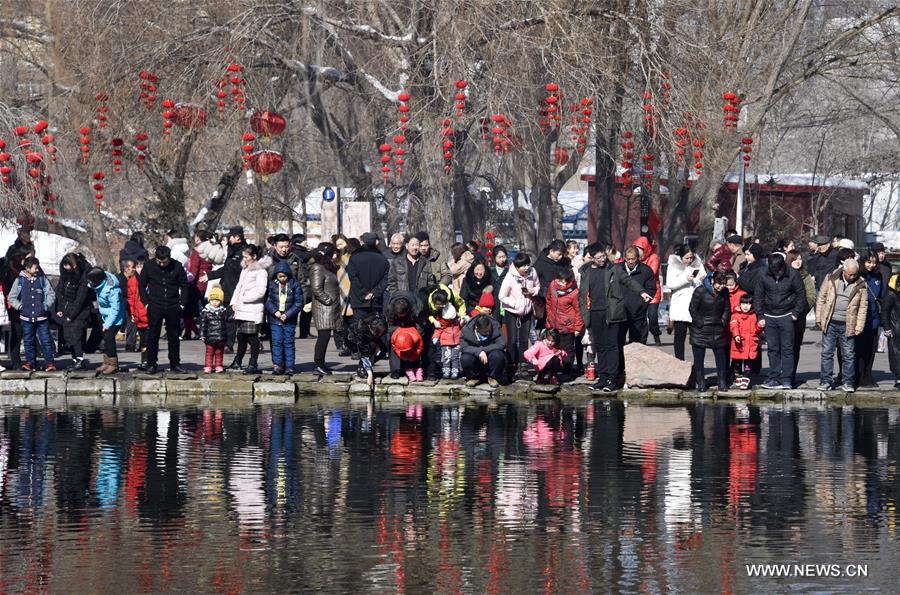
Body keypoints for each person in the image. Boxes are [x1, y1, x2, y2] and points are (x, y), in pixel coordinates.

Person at [580, 244, 650, 392]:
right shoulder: (586, 271)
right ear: (592, 258)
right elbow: (582, 294)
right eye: (598, 258)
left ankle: (613, 378)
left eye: (604, 256)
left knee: (612, 345)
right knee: (600, 345)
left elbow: (628, 281)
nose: (602, 260)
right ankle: (603, 377)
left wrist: (641, 292)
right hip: (594, 312)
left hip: (611, 312)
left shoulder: (614, 269)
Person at [754, 253, 806, 389]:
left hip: (787, 315)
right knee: (773, 349)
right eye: (774, 270)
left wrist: (796, 313)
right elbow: (758, 295)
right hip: (769, 316)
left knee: (787, 349)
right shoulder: (763, 274)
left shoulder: (793, 274)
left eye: (779, 270)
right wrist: (760, 315)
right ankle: (774, 378)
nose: (777, 272)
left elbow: (801, 294)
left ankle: (787, 379)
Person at [815, 258, 867, 392]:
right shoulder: (831, 278)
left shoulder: (861, 284)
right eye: (850, 274)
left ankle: (848, 382)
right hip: (830, 322)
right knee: (827, 352)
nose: (853, 277)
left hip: (848, 324)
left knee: (848, 354)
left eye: (855, 274)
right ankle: (825, 381)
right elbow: (821, 297)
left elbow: (863, 307)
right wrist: (819, 318)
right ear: (844, 271)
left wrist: (859, 326)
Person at [139, 246, 189, 373]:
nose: (162, 264)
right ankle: (151, 363)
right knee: (153, 335)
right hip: (155, 304)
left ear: (169, 257)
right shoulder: (149, 266)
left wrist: (182, 304)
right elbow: (141, 285)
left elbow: (184, 285)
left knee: (173, 335)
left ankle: (175, 363)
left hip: (173, 304)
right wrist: (146, 303)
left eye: (164, 262)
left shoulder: (177, 266)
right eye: (159, 262)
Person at [202, 226, 247, 351]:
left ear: (237, 237)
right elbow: (226, 269)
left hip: (237, 290)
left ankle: (251, 342)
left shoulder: (244, 251)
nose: (228, 238)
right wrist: (210, 276)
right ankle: (228, 344)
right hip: (227, 289)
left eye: (230, 236)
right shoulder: (232, 250)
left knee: (238, 319)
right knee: (228, 318)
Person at [9, 255, 56, 371]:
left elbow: (51, 294)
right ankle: (30, 363)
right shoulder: (19, 281)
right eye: (35, 268)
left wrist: (45, 306)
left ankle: (49, 363)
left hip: (42, 318)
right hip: (26, 318)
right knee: (28, 341)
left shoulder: (42, 279)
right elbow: (11, 297)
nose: (37, 270)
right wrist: (20, 306)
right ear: (28, 268)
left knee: (45, 340)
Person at [228, 244, 270, 374]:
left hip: (252, 309)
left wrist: (244, 299)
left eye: (246, 256)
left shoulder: (261, 271)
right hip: (241, 309)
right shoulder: (245, 270)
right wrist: (234, 301)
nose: (244, 259)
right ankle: (237, 361)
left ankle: (253, 363)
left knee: (252, 338)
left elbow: (260, 291)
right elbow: (238, 287)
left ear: (254, 256)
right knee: (241, 337)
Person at [498, 252, 541, 379]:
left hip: (527, 311)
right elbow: (502, 296)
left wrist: (533, 291)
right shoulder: (510, 277)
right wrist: (515, 304)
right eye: (523, 266)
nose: (526, 268)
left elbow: (538, 286)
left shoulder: (532, 272)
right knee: (511, 341)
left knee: (524, 340)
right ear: (517, 267)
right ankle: (511, 366)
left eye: (527, 264)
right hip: (512, 311)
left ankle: (523, 367)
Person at [688, 271, 730, 392]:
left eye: (723, 284)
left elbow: (727, 309)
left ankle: (722, 381)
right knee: (699, 358)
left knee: (721, 356)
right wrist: (699, 322)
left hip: (717, 328)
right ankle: (700, 382)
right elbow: (692, 308)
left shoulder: (724, 292)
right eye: (719, 284)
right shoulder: (700, 291)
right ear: (712, 281)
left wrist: (723, 321)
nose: (721, 287)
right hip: (701, 329)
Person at [664, 244, 705, 361]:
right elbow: (670, 283)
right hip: (680, 305)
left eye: (691, 257)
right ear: (680, 257)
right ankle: (679, 362)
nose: (689, 260)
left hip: (695, 304)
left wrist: (699, 280)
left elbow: (703, 277)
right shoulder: (673, 265)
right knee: (679, 337)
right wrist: (685, 279)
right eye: (686, 258)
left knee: (696, 338)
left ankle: (697, 364)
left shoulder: (697, 264)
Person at [309, 242, 343, 375]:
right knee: (323, 336)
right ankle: (318, 364)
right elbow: (316, 288)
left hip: (330, 308)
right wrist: (328, 300)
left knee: (326, 336)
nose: (336, 255)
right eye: (334, 253)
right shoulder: (317, 267)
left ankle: (321, 364)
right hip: (324, 308)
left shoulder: (328, 267)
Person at [265, 261, 303, 375]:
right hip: (275, 319)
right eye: (280, 276)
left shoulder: (294, 284)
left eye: (284, 276)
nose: (282, 278)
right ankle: (278, 365)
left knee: (289, 342)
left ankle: (290, 366)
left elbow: (299, 302)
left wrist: (287, 314)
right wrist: (274, 311)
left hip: (289, 319)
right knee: (276, 342)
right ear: (276, 275)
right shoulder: (272, 284)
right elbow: (268, 300)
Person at [785, 250, 816, 387]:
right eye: (794, 259)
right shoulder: (783, 275)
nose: (798, 261)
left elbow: (811, 297)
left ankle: (792, 375)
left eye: (799, 259)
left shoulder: (806, 276)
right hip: (783, 317)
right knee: (784, 348)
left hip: (799, 318)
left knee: (795, 348)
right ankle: (782, 374)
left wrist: (799, 311)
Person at [56, 253, 92, 370]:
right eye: (65, 265)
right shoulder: (65, 275)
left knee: (75, 333)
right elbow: (60, 291)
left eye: (68, 265)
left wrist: (71, 314)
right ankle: (75, 359)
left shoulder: (83, 276)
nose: (66, 268)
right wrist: (60, 308)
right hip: (67, 307)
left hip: (81, 310)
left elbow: (80, 298)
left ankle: (80, 359)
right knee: (68, 335)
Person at [185, 230, 223, 340]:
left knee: (189, 310)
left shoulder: (198, 251)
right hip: (210, 281)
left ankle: (196, 331)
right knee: (209, 307)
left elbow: (194, 269)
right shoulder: (212, 249)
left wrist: (189, 280)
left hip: (198, 282)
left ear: (198, 239)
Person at [86, 267, 125, 375]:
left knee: (109, 339)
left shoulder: (113, 290)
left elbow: (115, 309)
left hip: (115, 318)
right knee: (104, 338)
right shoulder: (98, 284)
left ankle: (113, 364)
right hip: (104, 314)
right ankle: (106, 362)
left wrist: (108, 324)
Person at [545, 268, 583, 374]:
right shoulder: (553, 285)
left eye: (563, 281)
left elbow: (578, 310)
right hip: (554, 323)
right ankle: (555, 370)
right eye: (559, 280)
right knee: (555, 347)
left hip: (568, 325)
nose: (560, 283)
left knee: (568, 349)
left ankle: (567, 370)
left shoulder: (574, 292)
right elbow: (548, 301)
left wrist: (578, 327)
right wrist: (549, 317)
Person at [347, 232, 390, 323]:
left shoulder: (354, 258)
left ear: (363, 242)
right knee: (375, 328)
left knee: (359, 328)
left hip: (359, 300)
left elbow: (353, 278)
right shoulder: (382, 258)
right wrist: (374, 293)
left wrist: (364, 293)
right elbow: (385, 279)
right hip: (376, 300)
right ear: (376, 242)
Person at [856, 250, 883, 388]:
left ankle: (868, 375)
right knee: (860, 350)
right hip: (860, 320)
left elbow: (881, 296)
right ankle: (859, 376)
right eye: (869, 262)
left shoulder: (878, 276)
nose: (871, 265)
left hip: (874, 319)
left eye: (874, 262)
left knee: (871, 351)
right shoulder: (858, 276)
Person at [386, 234, 436, 309]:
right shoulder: (397, 262)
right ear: (406, 246)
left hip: (420, 302)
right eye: (412, 245)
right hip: (402, 303)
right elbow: (392, 282)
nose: (415, 248)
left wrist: (425, 297)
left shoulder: (425, 263)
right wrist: (396, 297)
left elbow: (430, 282)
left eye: (417, 245)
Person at [619, 246, 656, 344]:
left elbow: (651, 289)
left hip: (638, 312)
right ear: (624, 258)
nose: (630, 261)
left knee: (637, 342)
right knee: (618, 341)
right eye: (628, 259)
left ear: (638, 258)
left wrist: (642, 305)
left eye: (633, 259)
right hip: (620, 312)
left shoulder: (646, 271)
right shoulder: (617, 269)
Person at [460, 313, 506, 388]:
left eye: (489, 330)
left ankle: (493, 377)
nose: (488, 333)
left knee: (498, 355)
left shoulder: (495, 326)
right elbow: (463, 347)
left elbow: (501, 344)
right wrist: (479, 352)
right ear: (476, 328)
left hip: (490, 356)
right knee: (465, 358)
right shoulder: (466, 330)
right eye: (485, 332)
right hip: (475, 357)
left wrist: (483, 350)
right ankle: (474, 378)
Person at [631, 236, 662, 345]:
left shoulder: (653, 257)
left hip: (653, 291)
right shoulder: (634, 259)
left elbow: (651, 273)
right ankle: (642, 340)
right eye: (636, 249)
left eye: (639, 249)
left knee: (652, 316)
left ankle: (656, 333)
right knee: (641, 317)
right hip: (640, 291)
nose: (637, 251)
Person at [345, 312, 388, 388]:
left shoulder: (381, 321)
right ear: (371, 328)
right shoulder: (362, 330)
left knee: (383, 350)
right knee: (371, 347)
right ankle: (363, 367)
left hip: (371, 336)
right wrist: (370, 374)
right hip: (352, 339)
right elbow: (364, 352)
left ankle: (369, 364)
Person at [729, 294, 759, 390]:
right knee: (737, 362)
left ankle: (746, 378)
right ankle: (738, 376)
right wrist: (736, 335)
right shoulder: (735, 315)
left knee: (748, 363)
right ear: (740, 304)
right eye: (743, 304)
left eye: (749, 304)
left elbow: (757, 329)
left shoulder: (754, 315)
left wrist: (760, 326)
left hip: (750, 343)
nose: (746, 306)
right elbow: (734, 326)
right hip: (739, 344)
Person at [126, 257, 150, 370]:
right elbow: (130, 299)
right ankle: (144, 361)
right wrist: (132, 313)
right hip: (138, 315)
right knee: (142, 340)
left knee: (149, 340)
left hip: (148, 314)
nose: (140, 269)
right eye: (138, 266)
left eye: (142, 266)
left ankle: (150, 361)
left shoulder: (150, 279)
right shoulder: (132, 280)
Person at [332, 234, 353, 356]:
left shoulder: (352, 256)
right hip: (338, 288)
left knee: (351, 320)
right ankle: (343, 345)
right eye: (338, 244)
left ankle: (351, 345)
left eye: (342, 243)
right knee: (340, 321)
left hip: (350, 287)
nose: (340, 246)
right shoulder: (335, 258)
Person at [290, 233, 314, 338]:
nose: (306, 242)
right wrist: (314, 250)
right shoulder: (296, 253)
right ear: (298, 242)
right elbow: (306, 257)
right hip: (301, 285)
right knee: (298, 309)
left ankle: (305, 332)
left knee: (307, 309)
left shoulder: (304, 251)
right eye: (304, 241)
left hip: (308, 285)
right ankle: (295, 331)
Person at [199, 286, 228, 373]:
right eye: (212, 300)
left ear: (220, 301)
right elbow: (203, 325)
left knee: (219, 353)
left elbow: (226, 324)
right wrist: (202, 335)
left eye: (217, 300)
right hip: (209, 337)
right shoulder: (206, 312)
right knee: (209, 353)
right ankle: (208, 366)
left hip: (220, 337)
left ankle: (218, 365)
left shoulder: (223, 311)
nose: (214, 302)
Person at [432, 298, 462, 379]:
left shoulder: (457, 321)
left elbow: (463, 326)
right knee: (446, 357)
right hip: (445, 343)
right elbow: (438, 330)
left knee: (455, 357)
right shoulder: (441, 321)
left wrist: (464, 319)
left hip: (456, 342)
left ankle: (455, 371)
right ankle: (446, 370)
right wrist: (435, 337)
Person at [881, 272, 900, 389]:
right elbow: (884, 311)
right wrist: (887, 327)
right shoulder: (891, 292)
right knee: (896, 354)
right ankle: (898, 378)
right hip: (895, 328)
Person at [490, 245, 509, 321]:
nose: (502, 259)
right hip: (494, 303)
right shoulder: (490, 271)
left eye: (503, 257)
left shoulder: (510, 271)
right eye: (499, 257)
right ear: (494, 258)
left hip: (507, 303)